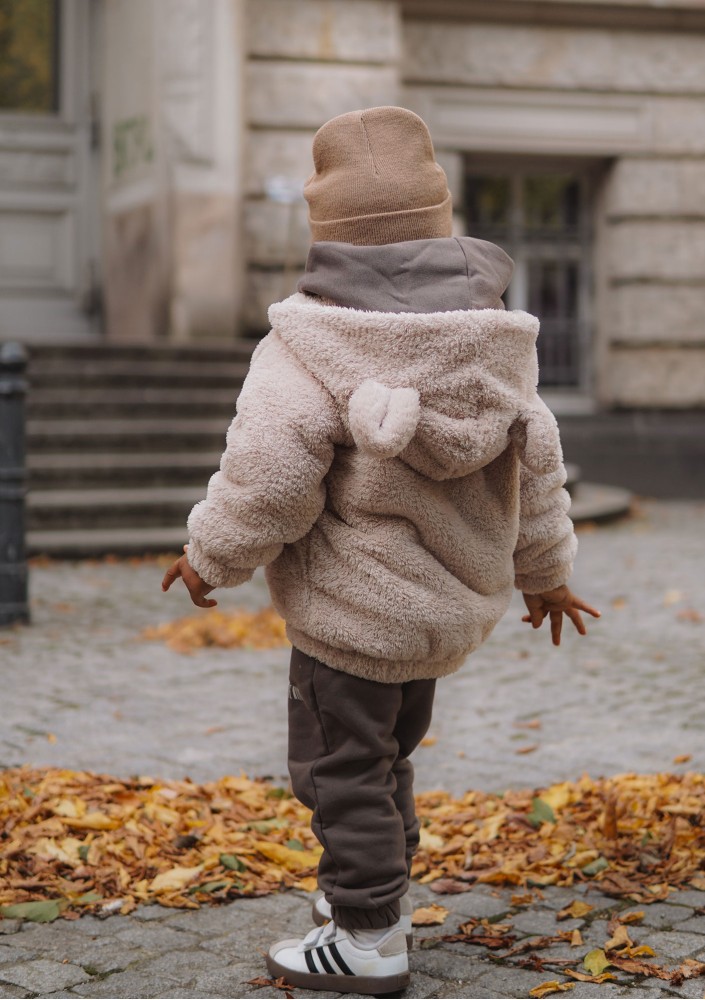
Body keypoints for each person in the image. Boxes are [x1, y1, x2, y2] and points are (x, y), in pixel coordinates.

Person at [162, 106, 600, 996]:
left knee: (337, 769)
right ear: (439, 219)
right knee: (384, 759)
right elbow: (540, 472)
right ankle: (376, 902)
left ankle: (365, 938)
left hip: (354, 616)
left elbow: (270, 479)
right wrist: (546, 575)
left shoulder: (305, 345)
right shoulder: (495, 345)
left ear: (326, 235)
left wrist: (210, 554)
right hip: (438, 617)